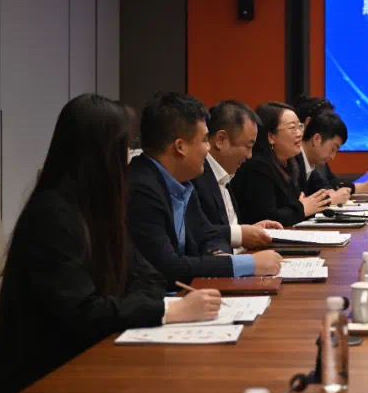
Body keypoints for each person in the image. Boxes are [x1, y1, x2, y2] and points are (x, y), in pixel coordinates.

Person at [0, 94, 222, 393]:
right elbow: (83, 313)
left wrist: (138, 302)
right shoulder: (52, 216)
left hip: (92, 363)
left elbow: (148, 276)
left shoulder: (100, 209)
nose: (129, 159)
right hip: (38, 388)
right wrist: (169, 311)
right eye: (123, 148)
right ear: (100, 154)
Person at [127, 92, 283, 287]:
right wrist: (246, 263)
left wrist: (221, 257)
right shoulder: (141, 189)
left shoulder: (182, 182)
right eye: (203, 140)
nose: (208, 148)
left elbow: (206, 234)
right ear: (180, 147)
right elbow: (168, 268)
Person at [194, 101, 283, 251]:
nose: (249, 156)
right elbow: (200, 234)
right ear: (221, 140)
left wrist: (250, 231)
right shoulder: (195, 177)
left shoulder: (225, 175)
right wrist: (240, 234)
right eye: (248, 146)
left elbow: (224, 229)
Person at [231, 102, 331, 226]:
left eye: (300, 126)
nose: (299, 133)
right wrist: (301, 208)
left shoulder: (289, 163)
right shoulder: (256, 167)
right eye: (292, 128)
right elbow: (266, 218)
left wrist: (304, 207)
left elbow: (294, 207)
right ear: (271, 136)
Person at [300, 110, 368, 203]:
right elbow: (292, 207)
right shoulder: (291, 161)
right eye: (333, 149)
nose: (332, 157)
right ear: (316, 139)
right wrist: (329, 199)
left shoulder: (312, 163)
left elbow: (327, 188)